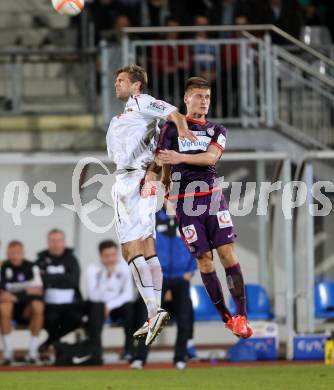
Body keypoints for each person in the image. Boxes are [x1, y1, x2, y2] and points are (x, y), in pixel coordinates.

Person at [145, 76, 253, 338]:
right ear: (186, 99)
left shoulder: (217, 130)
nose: (204, 101)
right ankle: (226, 318)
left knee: (228, 254)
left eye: (207, 97)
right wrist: (157, 179)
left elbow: (211, 158)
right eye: (199, 96)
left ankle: (241, 316)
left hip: (213, 198)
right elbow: (161, 161)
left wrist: (179, 157)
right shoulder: (170, 129)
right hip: (185, 204)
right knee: (205, 261)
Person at [106, 64, 196, 346]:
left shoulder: (142, 102)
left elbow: (175, 114)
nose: (116, 84)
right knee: (146, 245)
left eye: (121, 80)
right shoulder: (126, 115)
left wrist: (183, 131)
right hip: (144, 179)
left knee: (129, 248)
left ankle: (153, 309)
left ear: (136, 85)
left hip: (132, 180)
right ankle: (153, 312)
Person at [86, 240, 134, 361]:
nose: (111, 259)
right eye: (107, 256)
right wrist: (105, 277)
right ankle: (96, 353)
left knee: (130, 309)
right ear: (100, 256)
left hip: (117, 306)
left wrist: (109, 305)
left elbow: (128, 295)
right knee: (96, 308)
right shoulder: (92, 269)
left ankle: (129, 350)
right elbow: (92, 296)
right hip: (99, 306)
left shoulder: (125, 267)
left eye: (113, 255)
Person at [36, 229, 84, 352]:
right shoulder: (41, 260)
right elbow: (39, 281)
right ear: (48, 243)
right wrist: (63, 277)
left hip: (71, 305)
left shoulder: (72, 259)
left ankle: (50, 342)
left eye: (59, 241)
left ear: (63, 242)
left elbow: (73, 281)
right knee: (50, 319)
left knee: (77, 318)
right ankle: (57, 347)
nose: (56, 244)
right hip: (49, 306)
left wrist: (50, 279)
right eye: (53, 241)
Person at [0, 241, 44, 364]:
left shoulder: (32, 267)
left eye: (17, 253)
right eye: (11, 253)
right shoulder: (3, 267)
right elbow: (2, 293)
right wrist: (27, 291)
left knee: (38, 306)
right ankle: (8, 352)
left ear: (23, 253)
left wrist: (16, 297)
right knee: (4, 306)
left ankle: (32, 351)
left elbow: (38, 291)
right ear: (7, 254)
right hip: (10, 312)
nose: (14, 256)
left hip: (27, 310)